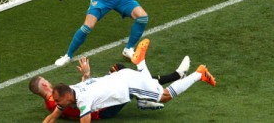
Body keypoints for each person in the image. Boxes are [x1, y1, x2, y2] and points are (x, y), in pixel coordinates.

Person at [43, 39, 216, 122]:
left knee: (164, 96)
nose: (56, 103)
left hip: (128, 85)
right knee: (153, 87)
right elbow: (52, 117)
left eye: (58, 100)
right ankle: (140, 63)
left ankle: (198, 74)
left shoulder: (83, 100)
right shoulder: (71, 92)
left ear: (66, 97)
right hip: (121, 79)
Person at [29, 55, 190, 119]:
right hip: (103, 109)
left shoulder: (61, 96)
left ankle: (143, 98)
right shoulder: (56, 100)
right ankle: (176, 76)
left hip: (97, 99)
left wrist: (86, 75)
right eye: (46, 80)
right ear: (44, 84)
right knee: (128, 79)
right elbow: (80, 106)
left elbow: (81, 90)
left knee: (119, 70)